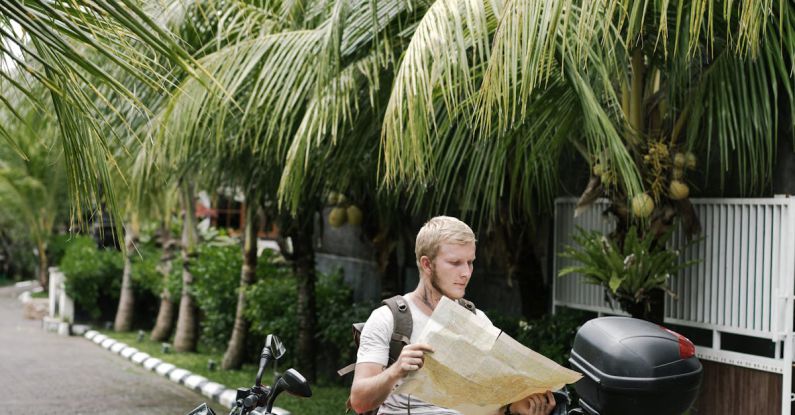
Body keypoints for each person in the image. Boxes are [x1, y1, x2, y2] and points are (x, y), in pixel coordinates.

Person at [350, 216, 556, 415]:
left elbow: (483, 405)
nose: (466, 272)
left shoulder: (477, 320)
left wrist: (514, 408)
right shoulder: (388, 319)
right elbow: (359, 402)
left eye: (470, 262)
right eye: (455, 263)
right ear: (427, 264)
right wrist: (395, 371)